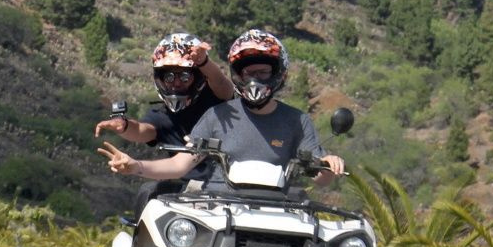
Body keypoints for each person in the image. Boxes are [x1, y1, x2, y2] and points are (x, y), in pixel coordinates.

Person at [98, 29, 345, 189]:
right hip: (218, 208)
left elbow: (320, 176)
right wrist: (135, 166)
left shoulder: (297, 120)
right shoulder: (218, 116)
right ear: (237, 74)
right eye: (247, 73)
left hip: (279, 210)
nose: (254, 80)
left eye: (262, 72)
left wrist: (327, 163)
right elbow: (178, 165)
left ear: (278, 74)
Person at [94, 32, 235, 216]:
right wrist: (124, 126)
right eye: (169, 77)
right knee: (148, 193)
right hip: (185, 188)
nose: (176, 83)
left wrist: (204, 62)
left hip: (228, 188)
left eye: (184, 77)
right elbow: (144, 130)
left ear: (198, 77)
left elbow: (224, 85)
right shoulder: (162, 114)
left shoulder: (216, 102)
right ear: (159, 79)